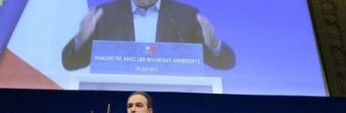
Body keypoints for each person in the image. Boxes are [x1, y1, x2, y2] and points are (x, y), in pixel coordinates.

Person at [62, 0, 235, 70]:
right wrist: (80, 40)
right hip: (115, 104)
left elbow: (227, 62)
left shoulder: (186, 16)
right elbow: (70, 63)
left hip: (173, 103)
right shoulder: (104, 15)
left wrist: (215, 45)